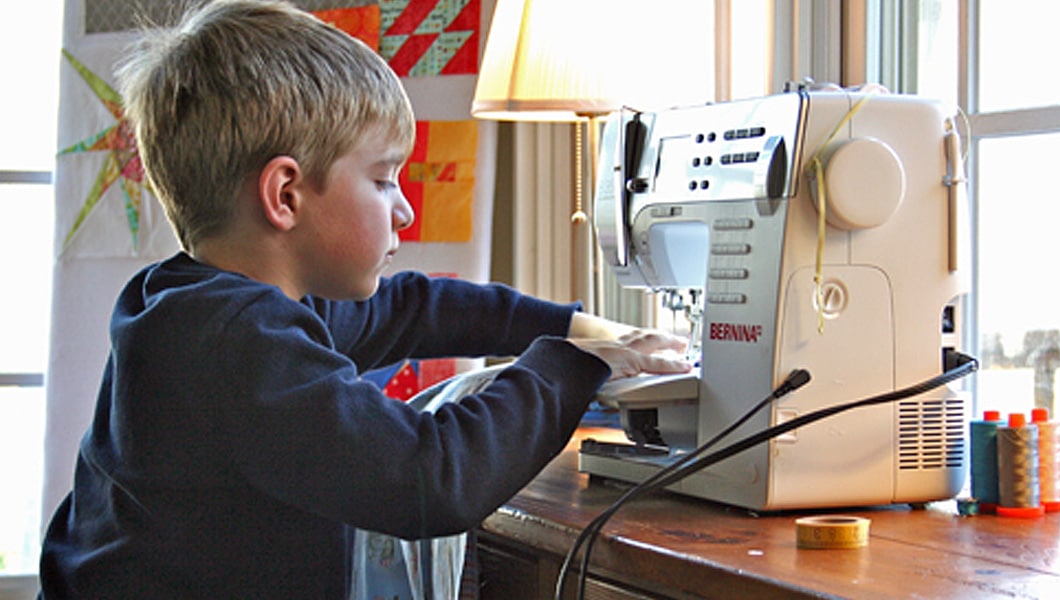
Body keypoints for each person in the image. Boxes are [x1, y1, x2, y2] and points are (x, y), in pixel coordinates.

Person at [37, 1, 690, 598]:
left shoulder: (197, 305)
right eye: (383, 180)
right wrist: (569, 365)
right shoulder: (237, 344)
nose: (405, 208)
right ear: (285, 195)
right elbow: (429, 478)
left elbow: (411, 309)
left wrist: (579, 325)